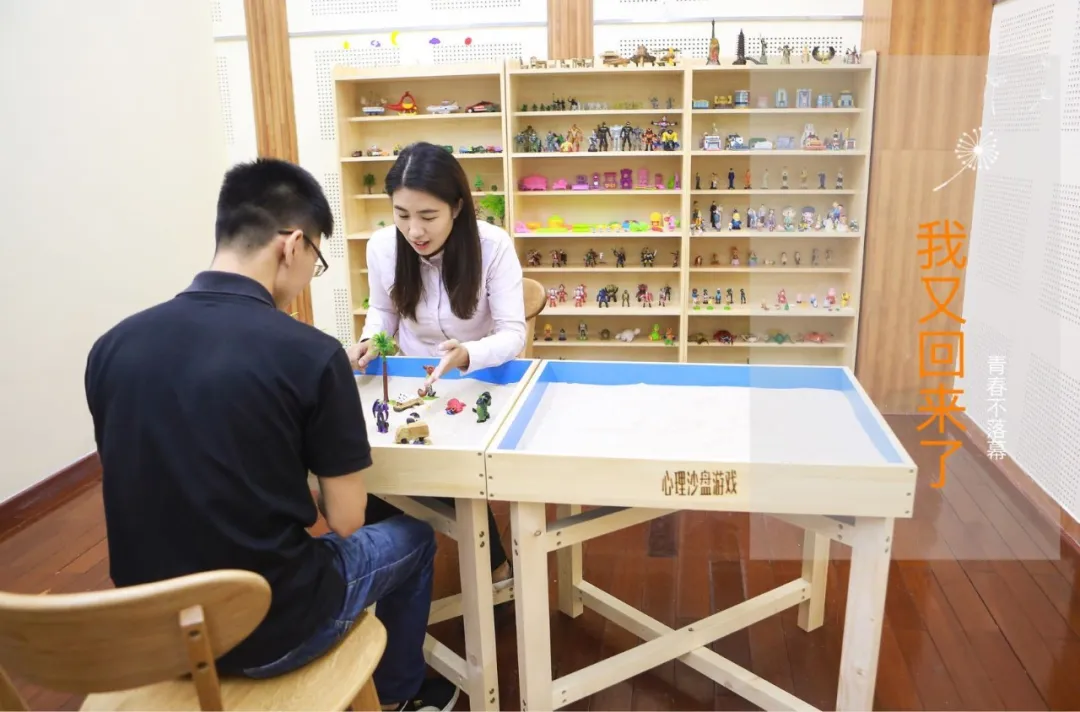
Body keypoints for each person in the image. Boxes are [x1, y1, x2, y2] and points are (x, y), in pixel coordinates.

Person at [84, 158, 459, 712]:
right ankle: (401, 695)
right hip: (272, 629)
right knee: (416, 537)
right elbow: (346, 520)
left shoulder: (111, 347)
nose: (308, 276)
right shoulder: (310, 354)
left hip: (154, 634)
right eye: (316, 262)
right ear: (293, 245)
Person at [345, 142, 525, 587]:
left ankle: (487, 565)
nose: (414, 230)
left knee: (455, 466)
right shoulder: (383, 246)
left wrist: (469, 354)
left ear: (457, 207)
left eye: (428, 216)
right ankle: (387, 568)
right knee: (384, 462)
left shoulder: (492, 246)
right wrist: (370, 341)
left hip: (477, 375)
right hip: (413, 376)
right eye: (401, 214)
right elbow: (383, 311)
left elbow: (512, 334)